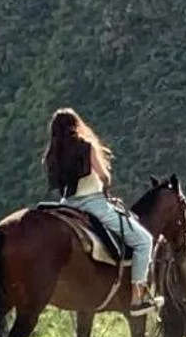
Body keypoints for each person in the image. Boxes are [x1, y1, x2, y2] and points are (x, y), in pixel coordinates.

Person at [43, 108, 154, 314]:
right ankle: (138, 297)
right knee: (143, 241)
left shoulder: (53, 153)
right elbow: (104, 177)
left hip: (66, 205)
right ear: (76, 125)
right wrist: (105, 186)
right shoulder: (86, 146)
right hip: (93, 203)